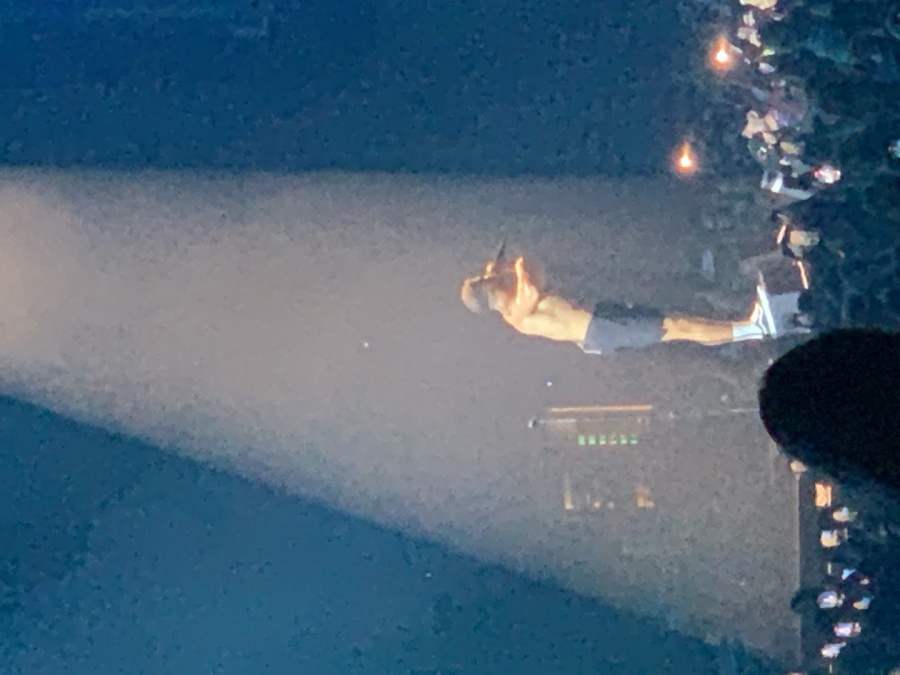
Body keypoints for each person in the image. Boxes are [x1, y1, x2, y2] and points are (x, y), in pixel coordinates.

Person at [460, 254, 779, 355]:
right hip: (601, 328)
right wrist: (514, 267)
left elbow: (539, 274)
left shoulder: (514, 297)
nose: (488, 276)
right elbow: (530, 289)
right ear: (486, 289)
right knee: (677, 328)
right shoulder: (513, 313)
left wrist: (511, 269)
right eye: (483, 279)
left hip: (601, 317)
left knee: (678, 321)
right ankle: (753, 329)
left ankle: (750, 327)